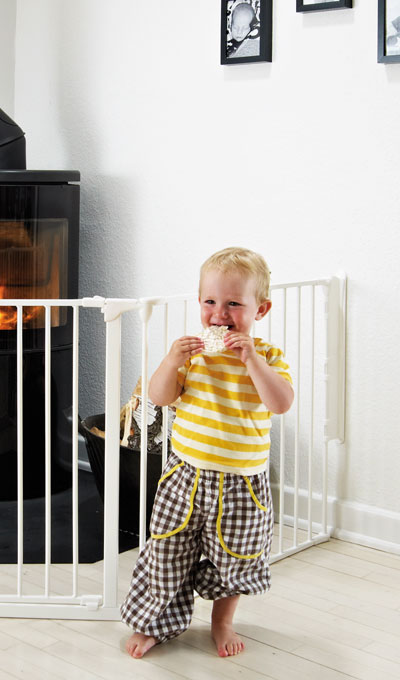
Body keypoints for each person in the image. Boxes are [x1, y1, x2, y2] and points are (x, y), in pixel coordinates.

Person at [121, 247, 294, 659]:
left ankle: (222, 622)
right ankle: (154, 623)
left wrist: (251, 359)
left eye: (234, 304)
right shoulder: (193, 355)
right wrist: (171, 360)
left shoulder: (268, 356)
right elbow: (160, 397)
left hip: (242, 483)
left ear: (261, 309)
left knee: (235, 558)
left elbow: (280, 402)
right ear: (199, 303)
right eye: (211, 302)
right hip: (185, 475)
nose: (220, 314)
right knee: (166, 552)